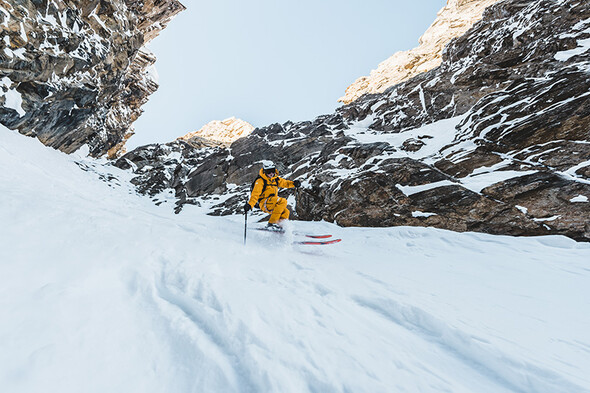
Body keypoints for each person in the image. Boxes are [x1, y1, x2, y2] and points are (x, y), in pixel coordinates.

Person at [244, 160, 301, 231]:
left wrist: (294, 184)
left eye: (273, 171)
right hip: (264, 203)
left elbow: (285, 183)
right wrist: (250, 205)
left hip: (272, 201)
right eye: (268, 171)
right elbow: (255, 194)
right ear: (264, 171)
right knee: (282, 201)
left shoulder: (275, 179)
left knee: (285, 211)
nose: (271, 173)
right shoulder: (260, 181)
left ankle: (280, 226)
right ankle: (272, 224)